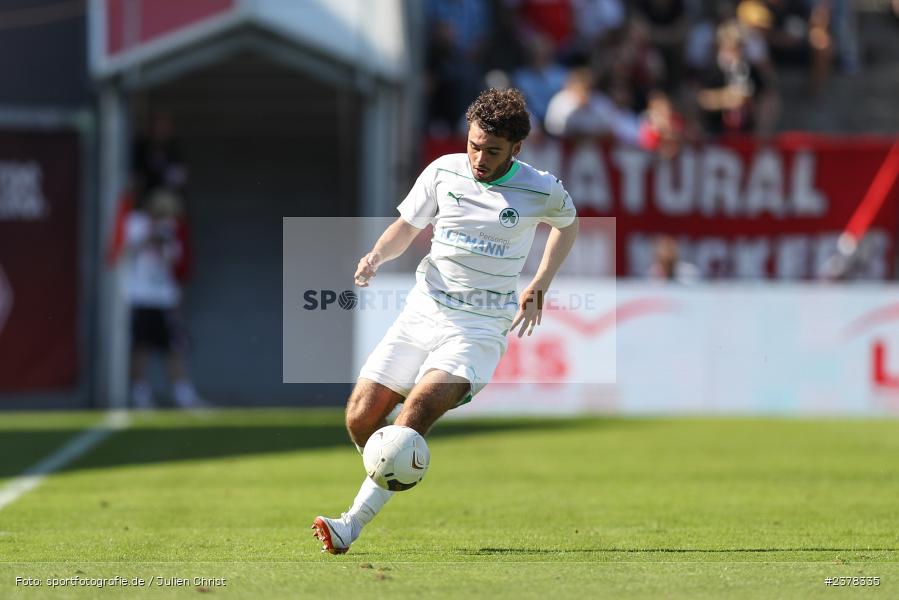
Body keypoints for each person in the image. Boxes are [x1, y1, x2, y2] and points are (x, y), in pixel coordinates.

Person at [311, 88, 579, 554]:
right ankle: (400, 465)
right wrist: (376, 255)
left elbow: (568, 224)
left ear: (516, 149)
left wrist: (540, 283)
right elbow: (408, 225)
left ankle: (350, 524)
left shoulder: (540, 188)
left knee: (415, 411)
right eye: (474, 145)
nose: (479, 158)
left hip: (479, 326)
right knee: (360, 418)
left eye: (492, 150)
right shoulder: (442, 171)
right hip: (423, 311)